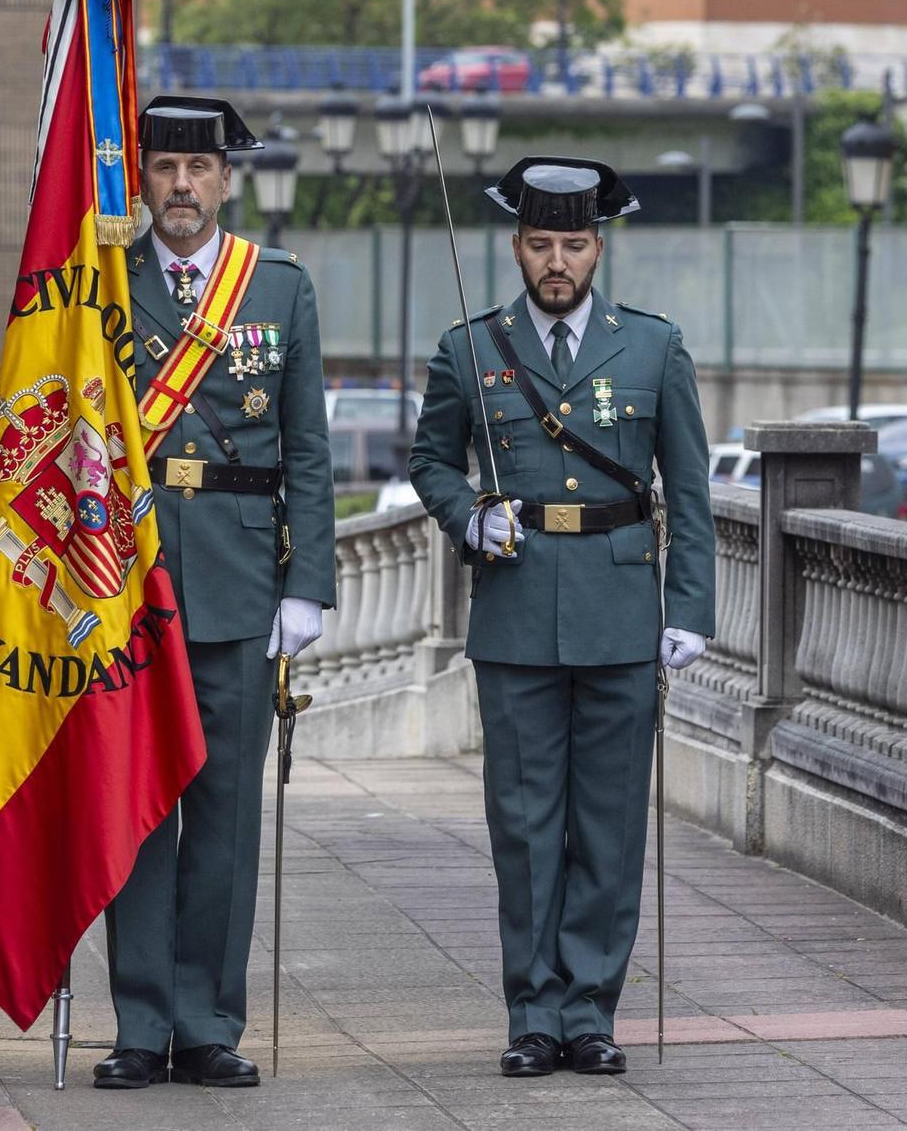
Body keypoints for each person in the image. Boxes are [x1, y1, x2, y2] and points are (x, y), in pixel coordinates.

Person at [408, 156, 716, 1078]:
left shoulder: (654, 347)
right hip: (517, 607)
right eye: (540, 242)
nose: (555, 260)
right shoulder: (470, 347)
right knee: (526, 821)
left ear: (598, 246)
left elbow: (689, 490)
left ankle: (591, 1009)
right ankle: (533, 1012)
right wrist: (470, 514)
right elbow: (431, 462)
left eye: (572, 243)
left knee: (611, 822)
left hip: (622, 605)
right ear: (515, 244)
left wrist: (690, 606)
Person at [92, 96, 337, 1092]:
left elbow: (309, 451)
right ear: (140, 179)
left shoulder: (277, 288)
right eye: (163, 170)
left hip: (240, 583)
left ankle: (206, 1023)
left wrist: (306, 582)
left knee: (225, 815)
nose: (181, 188)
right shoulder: (100, 286)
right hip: (135, 586)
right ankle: (138, 1025)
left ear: (225, 180)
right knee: (136, 814)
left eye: (198, 171)